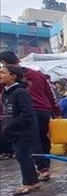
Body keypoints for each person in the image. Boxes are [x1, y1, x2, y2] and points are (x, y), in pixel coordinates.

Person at [0, 51, 58, 181]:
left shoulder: (11, 80)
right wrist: (56, 111)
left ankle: (39, 171)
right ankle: (44, 168)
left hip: (25, 113)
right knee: (42, 139)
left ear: (4, 62)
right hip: (43, 110)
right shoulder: (37, 74)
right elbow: (50, 93)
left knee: (30, 142)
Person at [0, 65, 41, 195]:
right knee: (22, 156)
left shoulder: (20, 92)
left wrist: (11, 125)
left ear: (13, 76)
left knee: (23, 155)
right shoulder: (6, 93)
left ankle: (29, 183)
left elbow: (27, 114)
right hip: (14, 131)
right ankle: (33, 181)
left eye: (3, 73)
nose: (0, 75)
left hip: (24, 131)